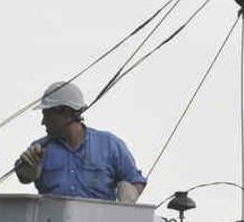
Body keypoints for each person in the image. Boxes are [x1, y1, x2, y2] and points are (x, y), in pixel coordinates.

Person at [14, 81, 147, 203]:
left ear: (65, 112)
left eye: (47, 115)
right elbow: (24, 177)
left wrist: (127, 201)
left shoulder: (109, 145)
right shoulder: (40, 150)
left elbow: (135, 181)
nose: (43, 122)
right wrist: (28, 170)